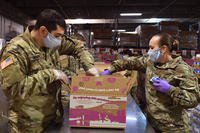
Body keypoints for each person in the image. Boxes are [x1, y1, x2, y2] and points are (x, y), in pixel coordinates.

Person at [0, 9, 98, 133]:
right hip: (29, 125)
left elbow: (77, 46)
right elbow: (14, 89)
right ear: (43, 30)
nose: (59, 40)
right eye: (57, 36)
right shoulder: (15, 51)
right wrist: (52, 74)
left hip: (54, 118)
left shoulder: (52, 43)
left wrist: (89, 66)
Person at [100, 33, 200, 132]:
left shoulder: (182, 69)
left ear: (163, 49)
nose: (149, 52)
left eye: (152, 48)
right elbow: (130, 62)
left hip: (173, 128)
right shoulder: (150, 62)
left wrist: (170, 89)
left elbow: (193, 100)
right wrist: (111, 69)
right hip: (151, 123)